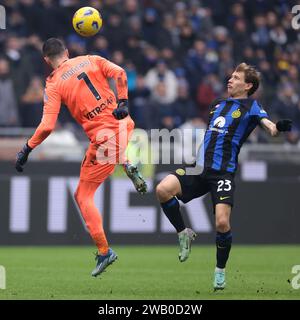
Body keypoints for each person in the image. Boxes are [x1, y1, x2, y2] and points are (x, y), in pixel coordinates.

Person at [15, 38, 147, 277]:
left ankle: (104, 251)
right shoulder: (90, 59)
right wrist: (124, 101)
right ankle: (125, 161)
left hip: (104, 140)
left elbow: (47, 126)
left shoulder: (53, 83)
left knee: (83, 195)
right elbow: (120, 72)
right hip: (124, 124)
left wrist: (27, 149)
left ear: (46, 60)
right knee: (109, 147)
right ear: (67, 52)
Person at [156, 63, 292, 291]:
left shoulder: (252, 106)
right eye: (231, 76)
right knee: (162, 190)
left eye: (236, 77)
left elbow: (270, 128)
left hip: (223, 172)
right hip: (198, 168)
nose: (230, 79)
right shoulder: (217, 104)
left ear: (248, 85)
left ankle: (220, 271)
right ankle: (183, 234)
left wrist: (278, 127)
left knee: (221, 222)